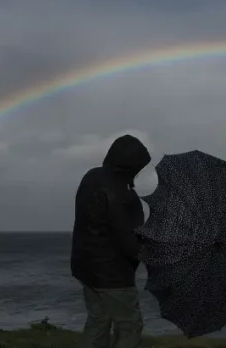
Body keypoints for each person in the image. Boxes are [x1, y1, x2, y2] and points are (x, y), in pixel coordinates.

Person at [71, 134, 151, 348]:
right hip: (112, 275)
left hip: (85, 267)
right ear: (130, 167)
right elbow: (128, 242)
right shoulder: (122, 195)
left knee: (98, 321)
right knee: (130, 326)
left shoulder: (91, 176)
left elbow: (98, 225)